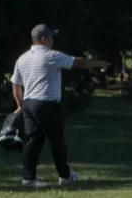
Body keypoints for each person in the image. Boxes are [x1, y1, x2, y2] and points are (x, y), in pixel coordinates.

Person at [11, 24, 110, 188]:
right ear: (43, 39)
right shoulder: (51, 56)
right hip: (47, 103)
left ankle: (28, 178)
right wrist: (98, 63)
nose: (52, 40)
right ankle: (65, 176)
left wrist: (20, 106)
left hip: (29, 103)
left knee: (32, 141)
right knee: (57, 141)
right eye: (50, 37)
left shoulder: (22, 58)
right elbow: (77, 63)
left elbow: (16, 84)